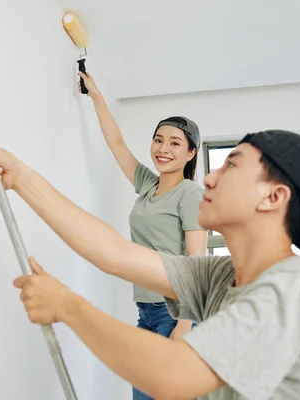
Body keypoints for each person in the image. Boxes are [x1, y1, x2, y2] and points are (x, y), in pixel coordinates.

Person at [0, 129, 300, 399]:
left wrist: (67, 305)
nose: (210, 178)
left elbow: (172, 376)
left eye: (231, 166)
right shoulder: (220, 276)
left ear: (273, 197)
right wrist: (20, 177)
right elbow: (114, 253)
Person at [76, 71, 206, 398]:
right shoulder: (149, 185)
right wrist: (96, 97)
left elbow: (197, 262)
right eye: (158, 139)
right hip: (146, 312)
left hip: (175, 312)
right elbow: (116, 143)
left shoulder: (190, 193)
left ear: (191, 153)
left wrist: (186, 324)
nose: (163, 148)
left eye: (175, 143)